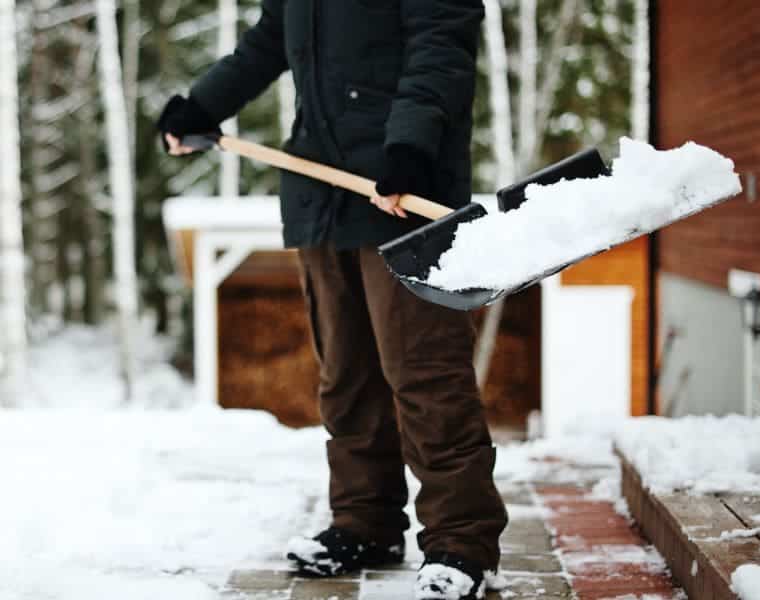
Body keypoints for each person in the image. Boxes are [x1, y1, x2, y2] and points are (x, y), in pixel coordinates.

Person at [157, 2, 507, 598]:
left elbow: (441, 45)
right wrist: (204, 103)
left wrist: (411, 146)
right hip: (323, 189)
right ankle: (365, 523)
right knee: (345, 374)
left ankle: (461, 543)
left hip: (405, 193)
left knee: (424, 374)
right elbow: (269, 42)